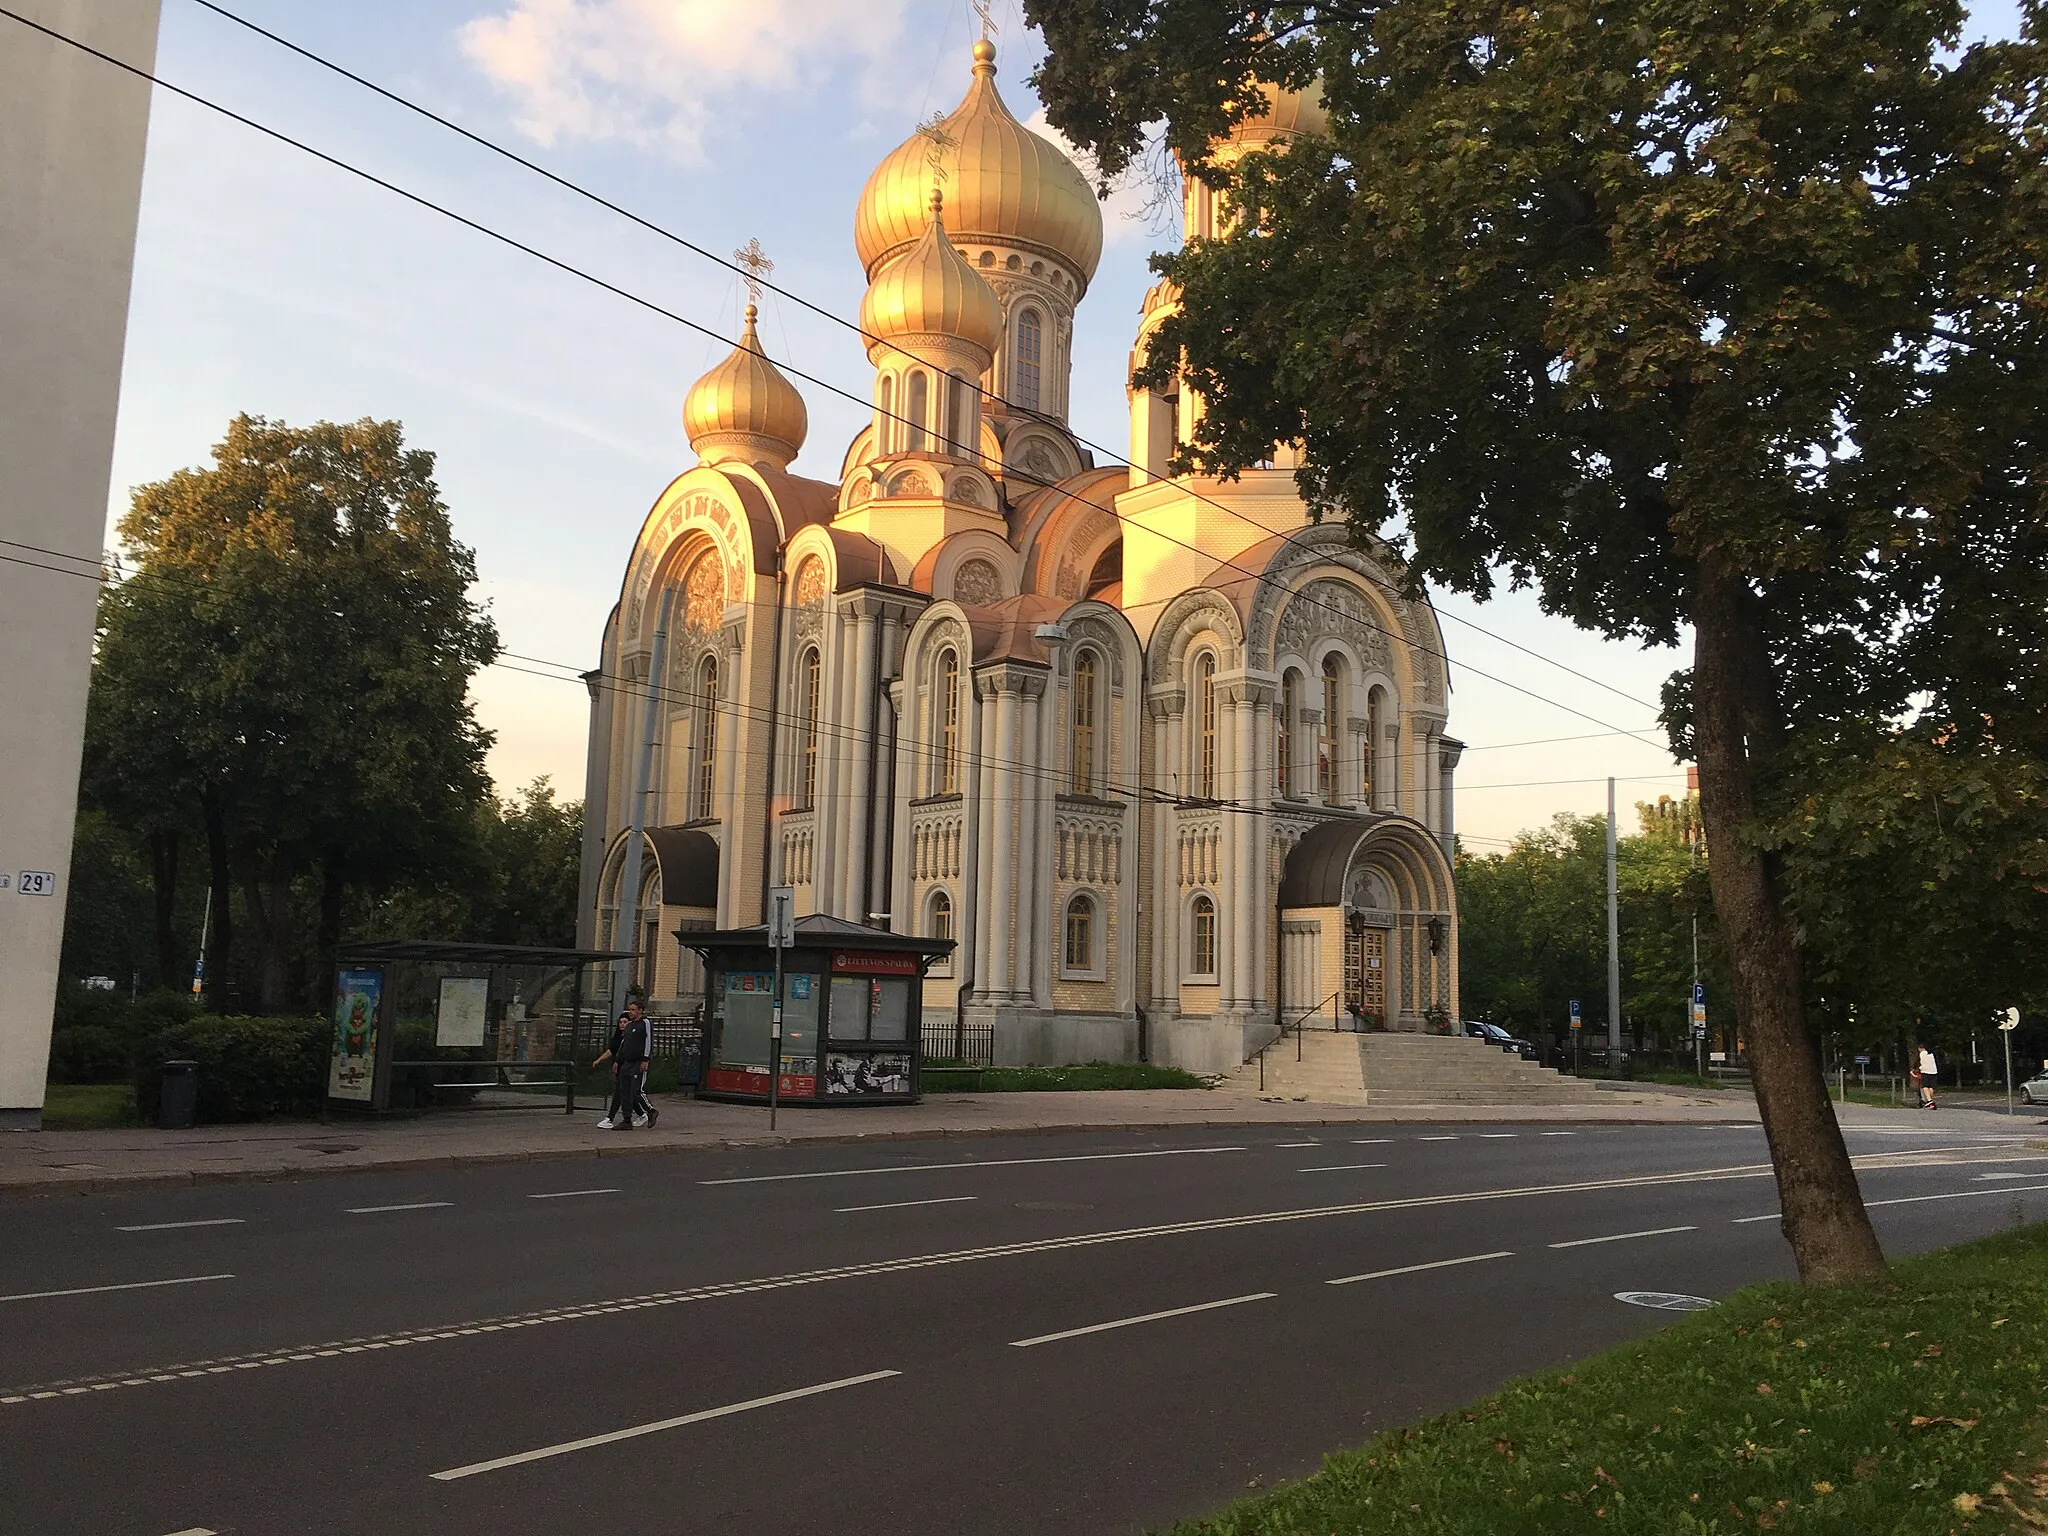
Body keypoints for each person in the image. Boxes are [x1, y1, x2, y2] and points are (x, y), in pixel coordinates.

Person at [594, 1000, 658, 1130]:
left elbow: (648, 1041)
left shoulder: (644, 1023)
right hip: (627, 1062)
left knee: (636, 1091)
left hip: (638, 1061)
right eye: (630, 1010)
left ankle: (651, 1110)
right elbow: (624, 1045)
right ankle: (627, 1119)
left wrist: (645, 1059)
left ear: (640, 1010)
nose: (631, 1012)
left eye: (633, 1010)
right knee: (624, 1091)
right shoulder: (630, 1026)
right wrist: (618, 1061)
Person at [1918, 1044, 1939, 1110]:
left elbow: (1923, 1063)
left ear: (1920, 1048)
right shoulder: (1932, 1054)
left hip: (1925, 1071)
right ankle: (1930, 1101)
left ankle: (1930, 1101)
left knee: (1925, 1086)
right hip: (1934, 1071)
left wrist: (1920, 1068)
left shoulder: (1922, 1053)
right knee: (1931, 1086)